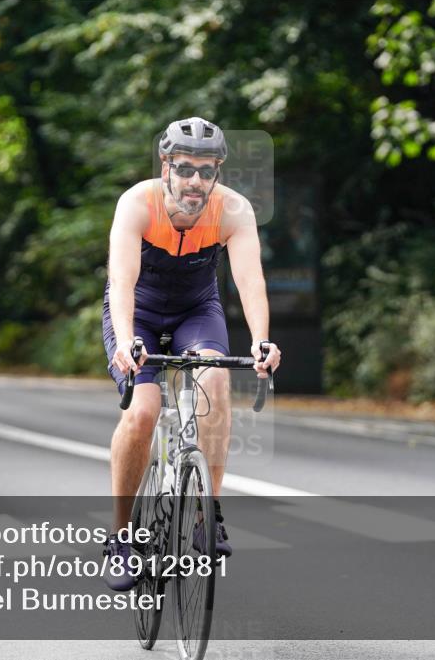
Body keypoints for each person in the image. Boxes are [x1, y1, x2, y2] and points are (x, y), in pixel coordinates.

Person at [102, 117, 281, 590]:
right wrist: (124, 342)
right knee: (143, 412)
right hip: (138, 313)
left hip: (196, 312)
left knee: (216, 382)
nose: (195, 181)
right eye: (184, 169)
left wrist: (261, 341)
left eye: (206, 170)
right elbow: (121, 282)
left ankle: (209, 516)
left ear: (218, 171)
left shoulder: (234, 211)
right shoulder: (136, 204)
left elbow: (250, 283)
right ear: (166, 166)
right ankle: (121, 539)